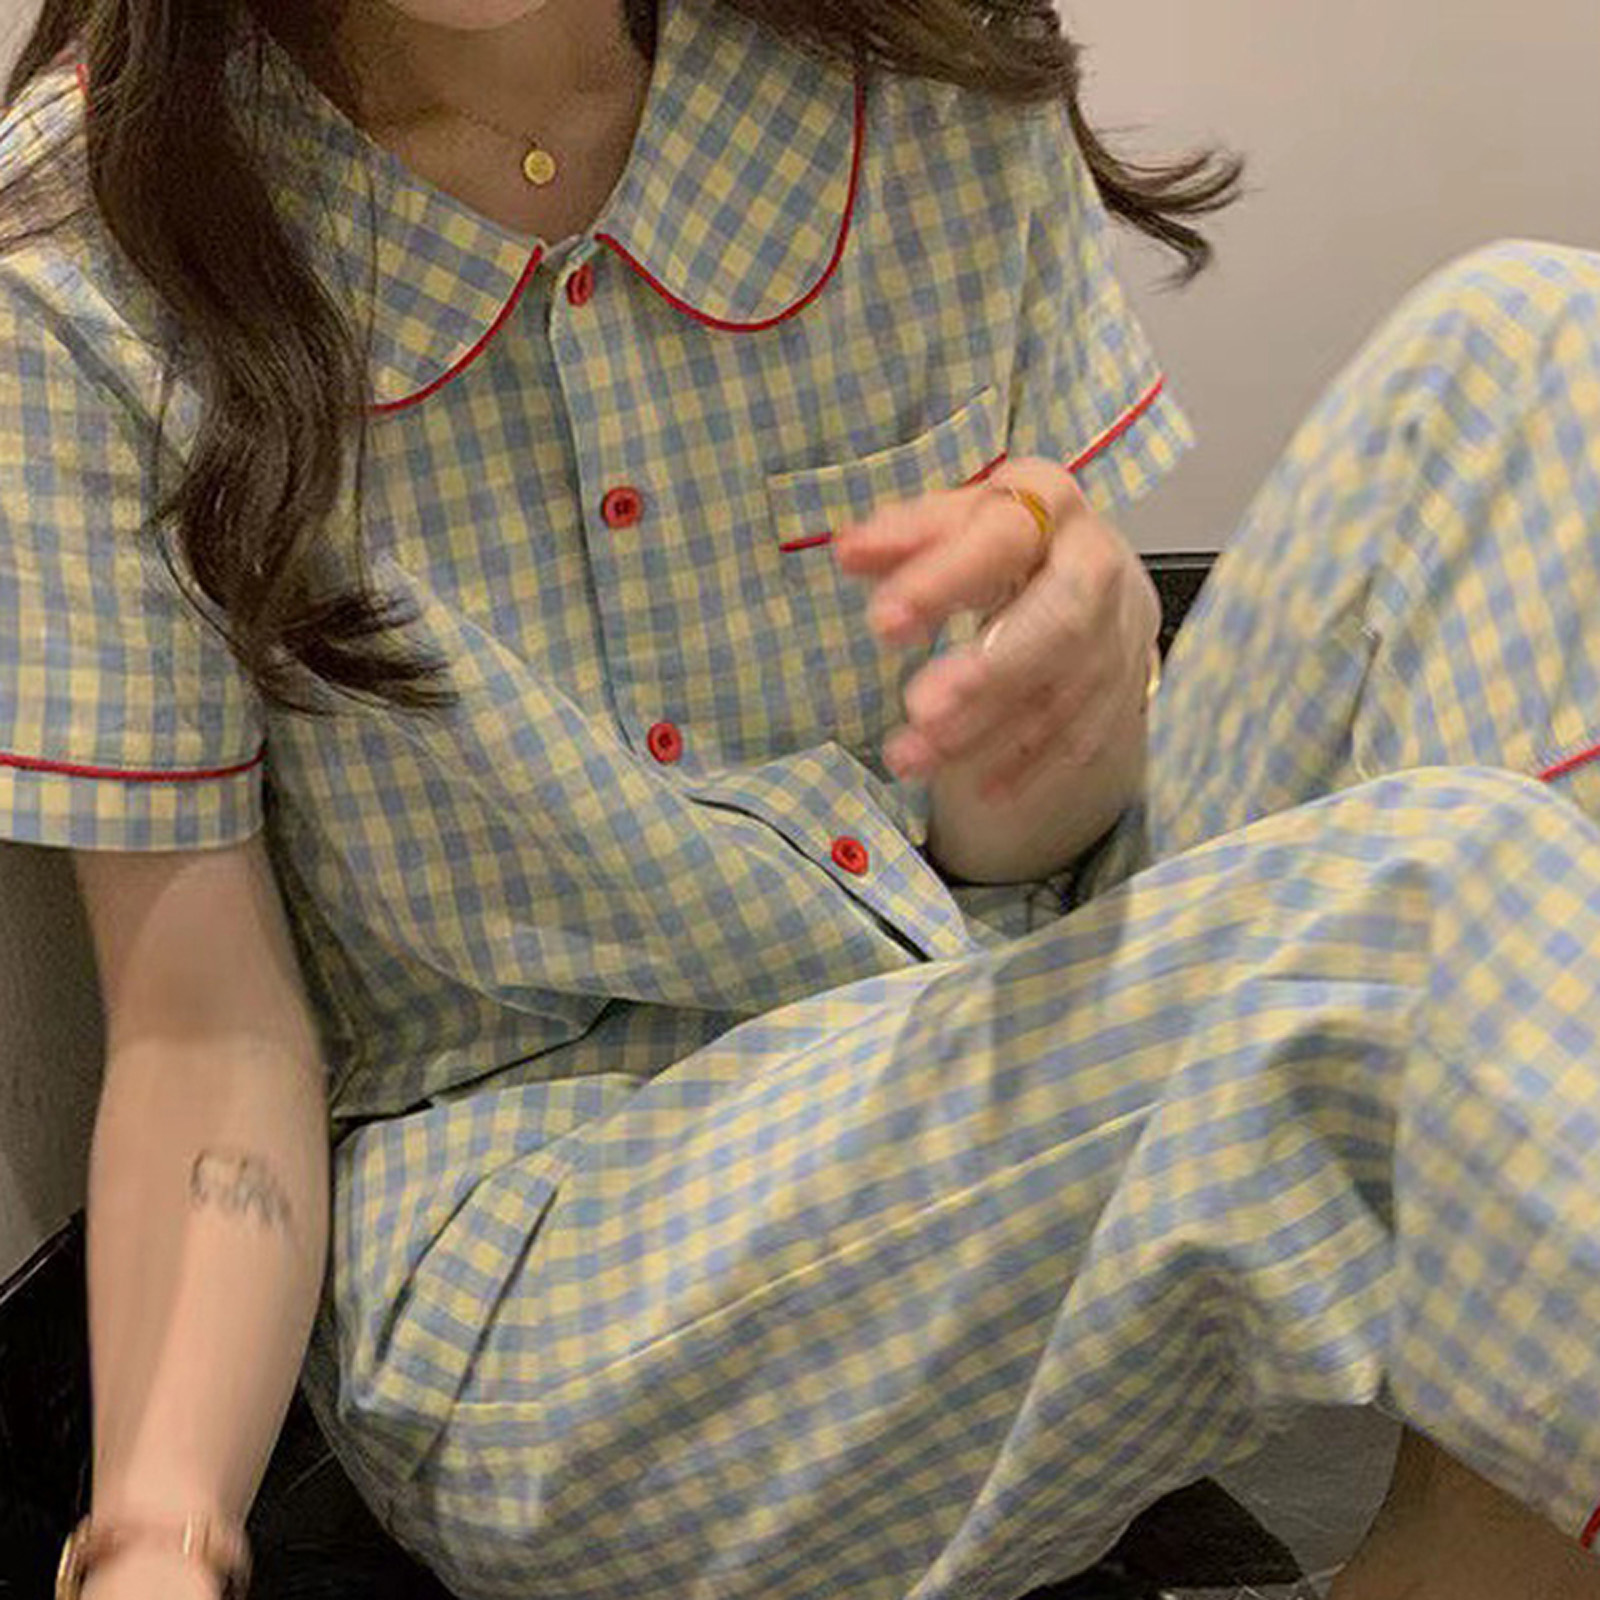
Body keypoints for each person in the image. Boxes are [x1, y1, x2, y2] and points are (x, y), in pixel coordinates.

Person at [4, 1, 1600, 1598]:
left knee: (1536, 355)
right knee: (1440, 917)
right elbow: (206, 1028)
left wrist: (1083, 677)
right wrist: (156, 1531)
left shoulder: (919, 60)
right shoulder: (94, 256)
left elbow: (1002, 841)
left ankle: (1475, 1547)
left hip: (987, 992)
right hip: (574, 1258)